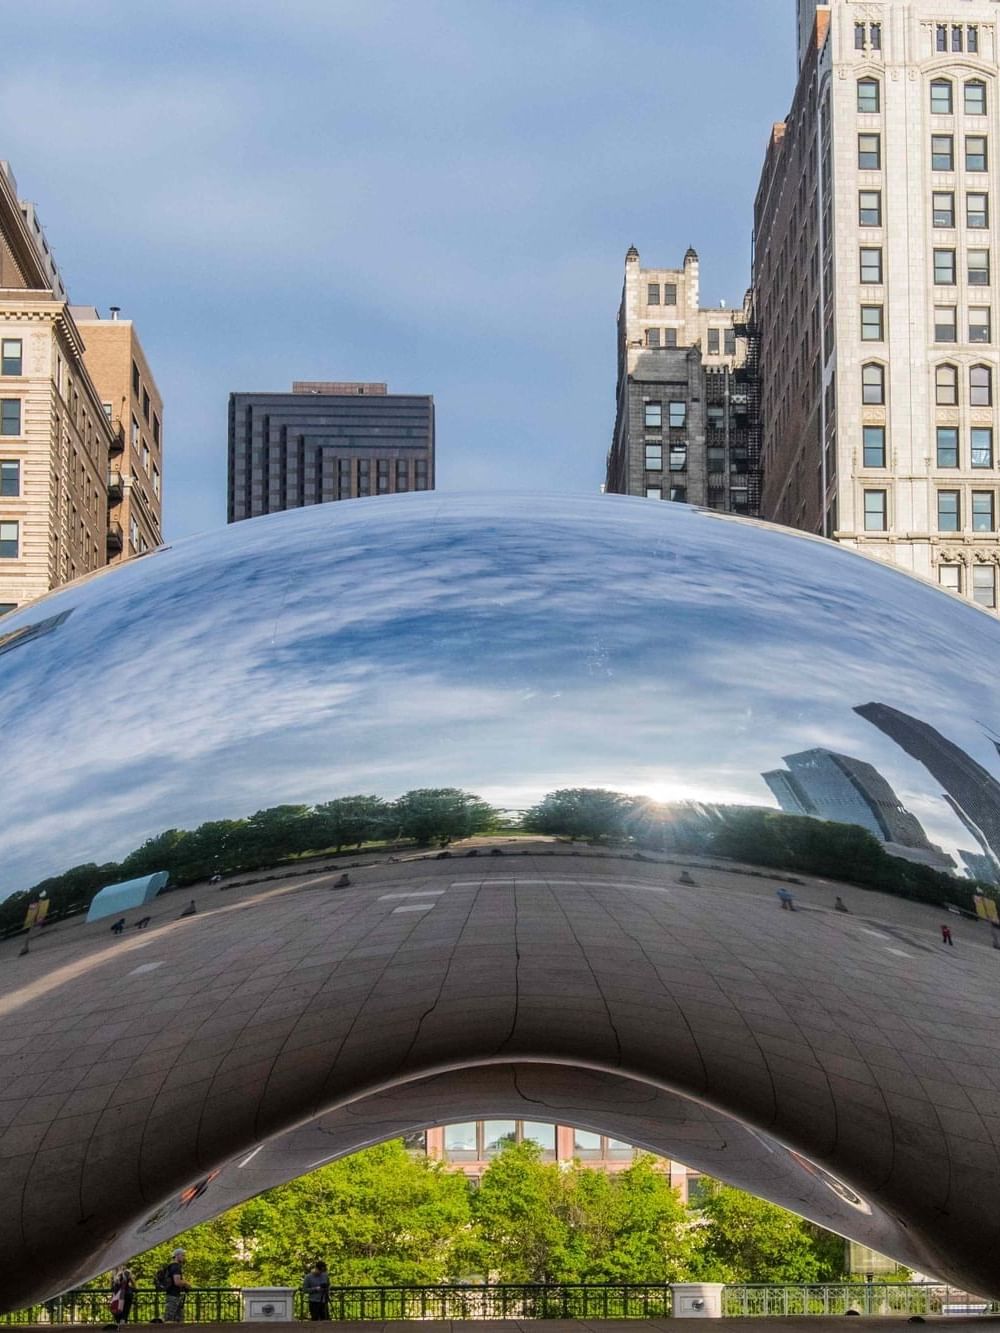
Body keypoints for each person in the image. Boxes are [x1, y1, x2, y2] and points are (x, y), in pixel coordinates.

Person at [164, 1248, 190, 1323]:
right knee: (170, 1320)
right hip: (174, 1296)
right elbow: (177, 1282)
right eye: (183, 1255)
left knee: (177, 1320)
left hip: (172, 1295)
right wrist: (186, 1283)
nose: (184, 1257)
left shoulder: (170, 1266)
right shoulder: (176, 1267)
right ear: (177, 1255)